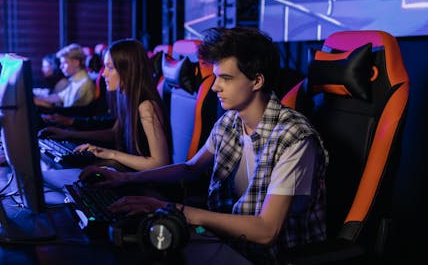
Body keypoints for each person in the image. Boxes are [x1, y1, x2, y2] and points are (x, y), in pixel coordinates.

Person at [78, 27, 329, 263]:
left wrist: (171, 209)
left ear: (257, 81)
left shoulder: (295, 137)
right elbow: (190, 168)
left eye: (226, 78)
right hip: (227, 244)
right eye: (217, 76)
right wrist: (125, 180)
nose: (216, 86)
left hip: (267, 257)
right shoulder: (230, 121)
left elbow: (266, 231)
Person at [39, 38, 172, 172]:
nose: (103, 74)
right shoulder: (126, 97)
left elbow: (160, 163)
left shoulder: (147, 106)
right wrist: (68, 135)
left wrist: (112, 154)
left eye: (110, 68)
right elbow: (114, 134)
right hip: (132, 173)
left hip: (147, 184)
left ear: (128, 71)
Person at [34, 43, 96, 108]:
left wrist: (45, 104)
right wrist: (38, 100)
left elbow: (72, 111)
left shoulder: (84, 84)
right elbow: (60, 97)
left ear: (76, 63)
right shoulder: (75, 80)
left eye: (65, 63)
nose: (61, 67)